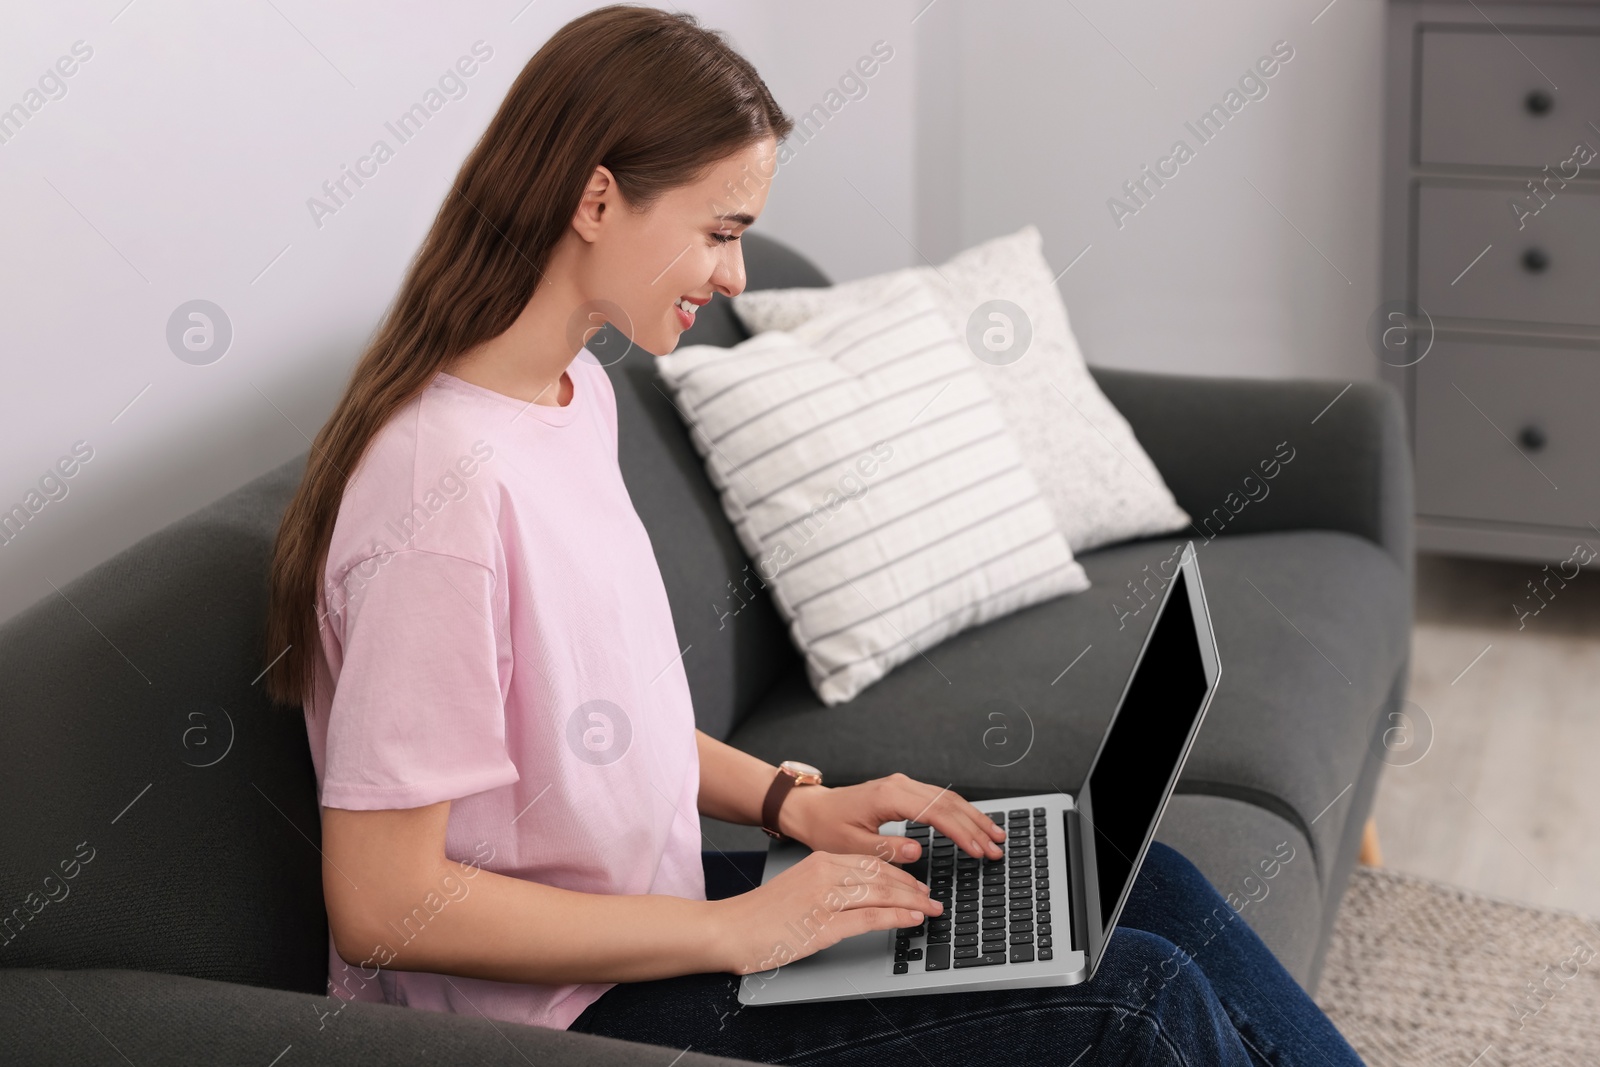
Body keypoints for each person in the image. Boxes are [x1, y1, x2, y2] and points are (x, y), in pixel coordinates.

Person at [263, 5, 1366, 1064]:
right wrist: (744, 930)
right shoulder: (436, 494)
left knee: (1143, 880)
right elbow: (385, 905)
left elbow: (592, 728)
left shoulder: (569, 395)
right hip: (562, 1020)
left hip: (656, 927)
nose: (736, 275)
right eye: (720, 231)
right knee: (1137, 995)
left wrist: (797, 802)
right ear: (597, 200)